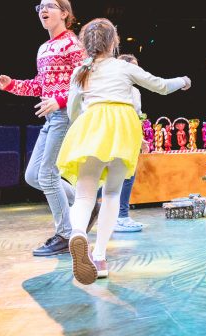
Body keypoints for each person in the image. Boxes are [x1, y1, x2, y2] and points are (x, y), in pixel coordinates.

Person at [58, 19, 190, 284]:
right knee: (111, 195)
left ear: (86, 44)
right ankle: (99, 256)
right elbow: (161, 86)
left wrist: (83, 124)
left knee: (84, 195)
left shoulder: (80, 71)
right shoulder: (123, 67)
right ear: (113, 42)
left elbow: (72, 109)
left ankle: (77, 234)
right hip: (122, 128)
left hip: (92, 126)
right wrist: (183, 81)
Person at [0, 0, 84, 257]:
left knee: (47, 175)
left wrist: (59, 101)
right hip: (51, 117)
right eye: (40, 7)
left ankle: (65, 234)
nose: (43, 11)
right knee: (34, 176)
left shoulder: (73, 44)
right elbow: (40, 86)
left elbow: (85, 84)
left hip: (66, 115)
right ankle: (85, 205)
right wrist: (12, 85)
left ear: (65, 13)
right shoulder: (44, 48)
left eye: (50, 7)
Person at [113, 54, 146, 233]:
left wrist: (140, 138)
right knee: (110, 178)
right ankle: (118, 216)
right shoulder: (114, 88)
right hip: (114, 136)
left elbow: (135, 116)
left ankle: (122, 216)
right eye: (133, 68)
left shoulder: (135, 92)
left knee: (128, 177)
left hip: (130, 137)